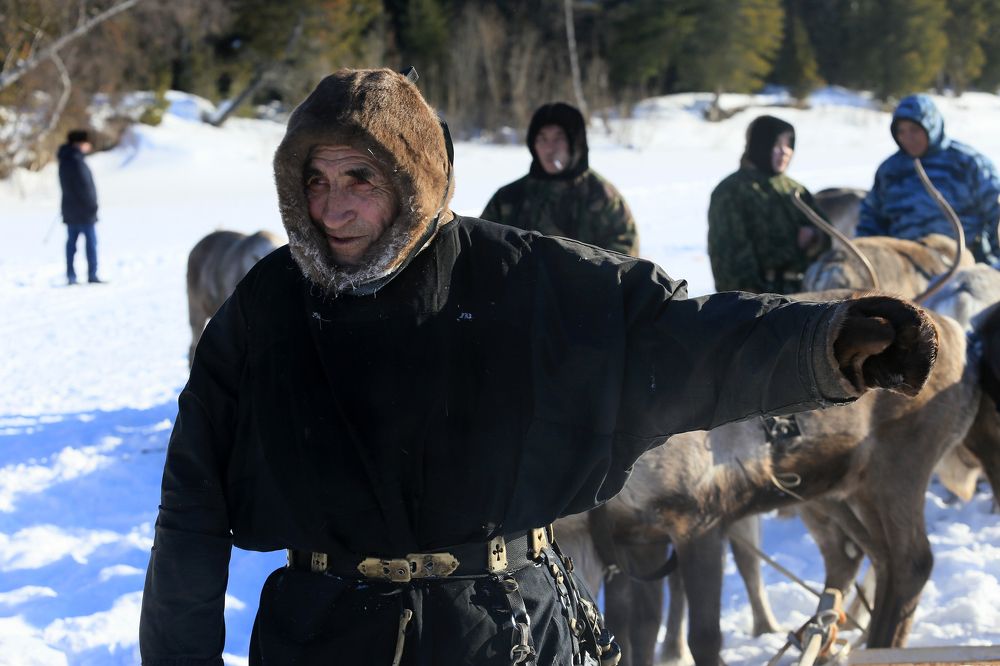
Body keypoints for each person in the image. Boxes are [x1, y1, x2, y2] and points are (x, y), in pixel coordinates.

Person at [138, 68, 937, 666]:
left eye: (360, 179)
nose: (332, 207)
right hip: (323, 632)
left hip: (501, 627)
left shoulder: (518, 277)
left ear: (414, 181)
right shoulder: (269, 306)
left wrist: (823, 343)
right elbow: (191, 509)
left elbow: (677, 339)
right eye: (314, 181)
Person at [481, 102, 639, 255]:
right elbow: (480, 248)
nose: (549, 149)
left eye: (558, 139)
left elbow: (625, 257)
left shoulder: (602, 197)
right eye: (542, 139)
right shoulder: (508, 198)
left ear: (575, 144)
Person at [858, 93, 1000, 263]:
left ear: (931, 126)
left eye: (914, 130)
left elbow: (996, 211)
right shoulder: (890, 170)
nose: (908, 138)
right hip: (905, 267)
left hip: (962, 263)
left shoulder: (967, 163)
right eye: (901, 132)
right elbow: (870, 219)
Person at [707, 115, 829, 294]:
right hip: (760, 299)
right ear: (760, 145)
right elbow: (729, 258)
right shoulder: (731, 191)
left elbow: (829, 236)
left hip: (804, 295)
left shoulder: (795, 189)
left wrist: (814, 237)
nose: (785, 151)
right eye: (777, 145)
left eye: (789, 145)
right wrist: (750, 300)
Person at [57, 129, 102, 284]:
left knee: (71, 244)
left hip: (69, 209)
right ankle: (92, 274)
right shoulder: (77, 161)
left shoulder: (64, 160)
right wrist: (92, 206)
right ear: (79, 143)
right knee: (90, 243)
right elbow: (85, 187)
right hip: (84, 211)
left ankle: (71, 275)